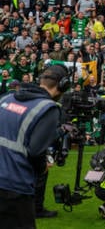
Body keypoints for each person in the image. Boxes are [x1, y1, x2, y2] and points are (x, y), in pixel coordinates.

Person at [0, 64, 66, 228]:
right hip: (15, 186)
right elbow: (36, 151)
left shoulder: (6, 98)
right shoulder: (48, 108)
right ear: (63, 85)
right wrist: (43, 167)